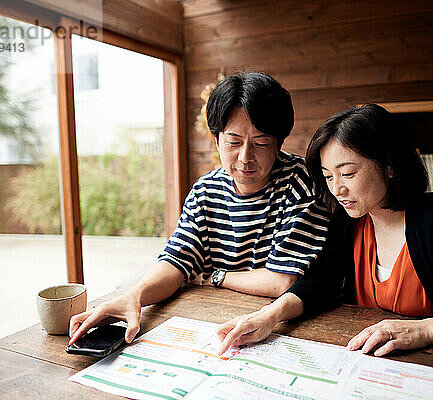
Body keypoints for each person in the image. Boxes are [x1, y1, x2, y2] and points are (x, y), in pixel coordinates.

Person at [216, 104, 433, 356]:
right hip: (370, 363)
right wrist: (270, 315)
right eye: (328, 176)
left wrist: (427, 330)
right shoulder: (350, 220)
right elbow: (320, 281)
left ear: (389, 166)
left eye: (347, 173)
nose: (337, 190)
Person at [69, 72, 330, 345]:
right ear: (216, 138)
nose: (245, 157)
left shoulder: (301, 182)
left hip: (283, 326)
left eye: (261, 143)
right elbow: (176, 262)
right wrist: (134, 296)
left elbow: (280, 281)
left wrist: (215, 276)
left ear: (280, 142)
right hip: (212, 321)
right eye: (233, 141)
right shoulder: (206, 190)